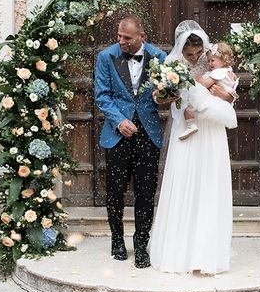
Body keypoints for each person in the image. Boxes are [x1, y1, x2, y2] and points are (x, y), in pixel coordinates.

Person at [149, 21, 237, 274]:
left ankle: (207, 251)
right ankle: (180, 251)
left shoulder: (212, 61)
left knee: (210, 185)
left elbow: (230, 90)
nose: (196, 58)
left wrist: (227, 96)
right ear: (181, 50)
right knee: (185, 181)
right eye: (191, 55)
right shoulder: (171, 64)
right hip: (186, 128)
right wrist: (168, 95)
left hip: (210, 129)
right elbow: (157, 97)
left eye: (199, 53)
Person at [94, 15, 168, 268]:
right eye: (119, 36)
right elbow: (102, 96)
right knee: (115, 191)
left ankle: (141, 244)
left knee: (145, 193)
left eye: (127, 38)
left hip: (148, 134)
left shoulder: (160, 58)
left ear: (141, 37)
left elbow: (164, 95)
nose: (121, 41)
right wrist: (118, 120)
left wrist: (164, 96)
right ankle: (116, 239)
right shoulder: (106, 57)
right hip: (117, 135)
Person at [178, 42, 238, 140]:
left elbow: (204, 85)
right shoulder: (228, 70)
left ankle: (190, 126)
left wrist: (199, 79)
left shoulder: (218, 73)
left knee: (189, 108)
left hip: (214, 100)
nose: (209, 64)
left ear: (224, 61)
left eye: (212, 60)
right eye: (208, 60)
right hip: (222, 103)